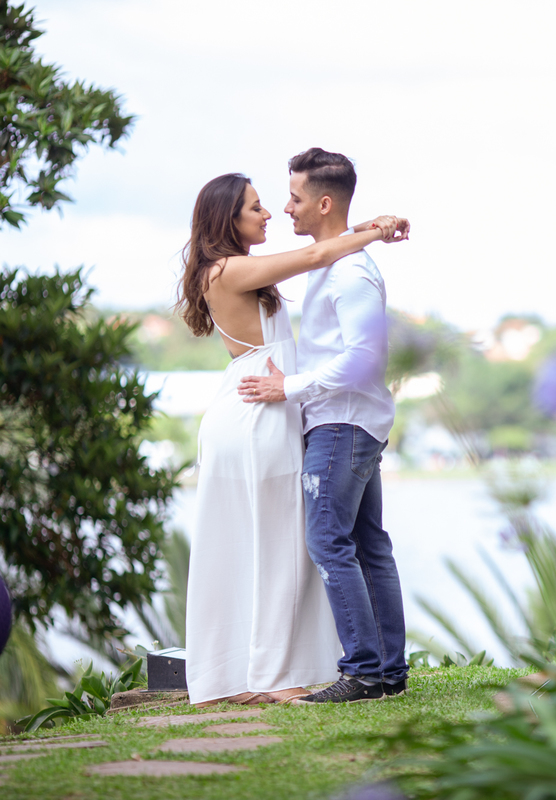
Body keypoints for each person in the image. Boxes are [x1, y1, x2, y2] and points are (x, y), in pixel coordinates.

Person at [176, 172, 406, 706]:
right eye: (256, 208)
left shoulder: (242, 266)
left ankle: (269, 671)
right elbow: (311, 258)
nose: (271, 214)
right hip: (257, 412)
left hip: (278, 408)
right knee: (273, 545)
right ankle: (269, 674)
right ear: (227, 218)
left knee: (280, 545)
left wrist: (368, 229)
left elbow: (316, 255)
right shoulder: (227, 268)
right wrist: (375, 230)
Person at [239, 148, 409, 703]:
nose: (286, 208)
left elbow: (363, 357)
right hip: (348, 421)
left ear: (324, 202)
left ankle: (363, 671)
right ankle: (385, 673)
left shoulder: (351, 273)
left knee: (330, 543)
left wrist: (286, 388)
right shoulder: (335, 260)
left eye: (294, 198)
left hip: (342, 425)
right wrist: (375, 226)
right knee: (367, 545)